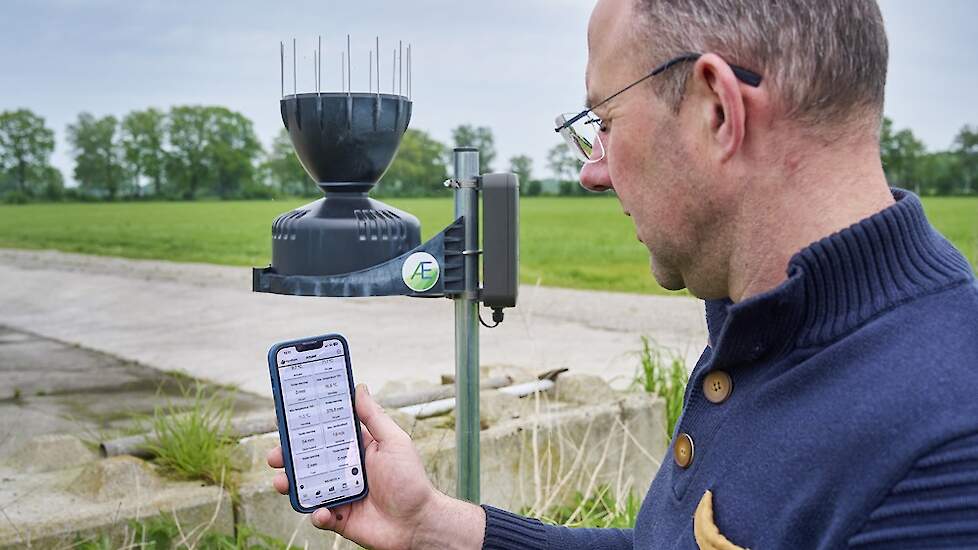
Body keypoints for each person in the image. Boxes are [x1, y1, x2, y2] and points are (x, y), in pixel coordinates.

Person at [268, 0, 978, 547]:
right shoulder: (776, 322)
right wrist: (435, 526)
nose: (592, 169)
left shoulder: (945, 465)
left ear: (717, 110)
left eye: (603, 120)